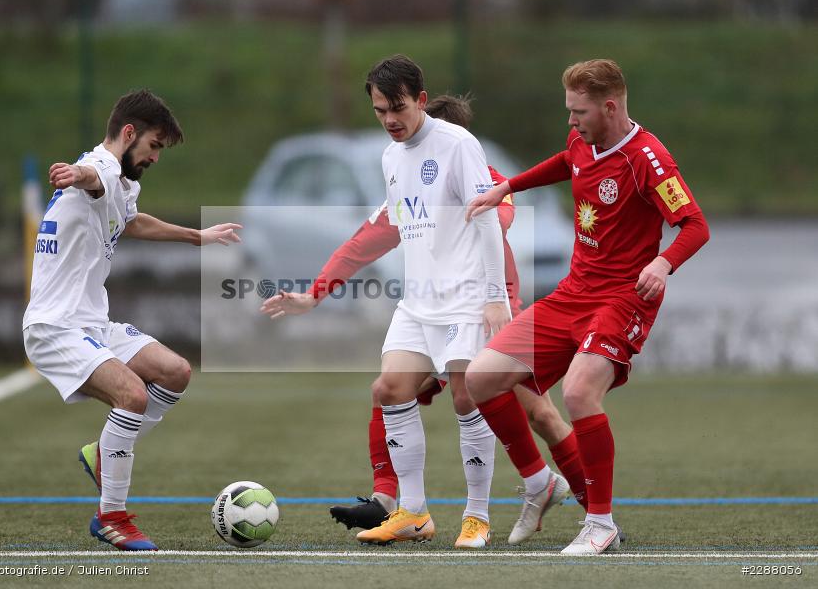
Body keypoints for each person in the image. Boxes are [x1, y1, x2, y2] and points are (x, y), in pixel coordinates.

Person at [261, 94, 594, 545]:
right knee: (391, 388)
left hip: (486, 309)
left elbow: (501, 215)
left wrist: (487, 277)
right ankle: (389, 500)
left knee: (540, 412)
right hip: (434, 311)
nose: (400, 131)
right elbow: (365, 241)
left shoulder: (478, 172)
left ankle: (587, 508)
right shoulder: (402, 173)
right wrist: (316, 293)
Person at [464, 59, 710, 554]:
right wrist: (509, 186)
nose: (571, 121)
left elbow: (696, 226)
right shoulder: (583, 139)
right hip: (573, 291)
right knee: (481, 377)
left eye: (579, 112)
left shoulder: (648, 158)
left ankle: (601, 524)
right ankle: (539, 483)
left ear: (610, 106)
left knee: (578, 395)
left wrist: (662, 265)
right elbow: (566, 161)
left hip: (622, 298)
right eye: (569, 111)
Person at [22, 89, 242, 552]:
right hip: (54, 327)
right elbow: (90, 177)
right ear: (128, 134)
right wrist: (73, 172)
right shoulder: (102, 166)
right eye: (154, 146)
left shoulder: (122, 186)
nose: (156, 157)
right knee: (133, 394)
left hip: (91, 323)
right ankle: (112, 516)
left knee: (175, 372)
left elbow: (130, 220)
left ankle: (102, 453)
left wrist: (195, 236)